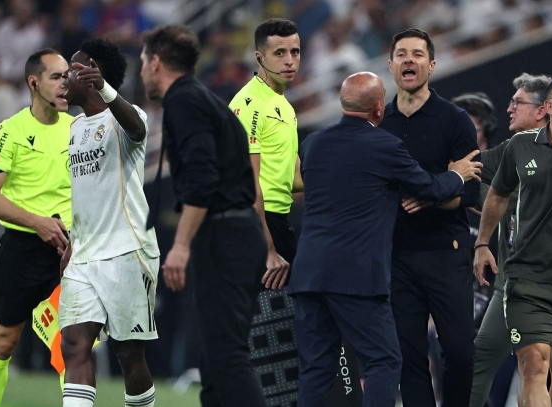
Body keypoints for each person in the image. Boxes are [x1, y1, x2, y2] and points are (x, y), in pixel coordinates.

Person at [288, 71, 482, 407]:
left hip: (308, 273)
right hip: (355, 275)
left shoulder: (313, 143)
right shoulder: (384, 146)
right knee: (385, 360)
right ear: (379, 108)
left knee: (317, 368)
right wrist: (457, 174)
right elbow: (429, 187)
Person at [463, 73, 552, 407]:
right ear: (551, 106)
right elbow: (496, 193)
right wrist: (482, 242)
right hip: (526, 281)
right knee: (531, 366)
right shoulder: (518, 146)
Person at [139, 24, 267, 406]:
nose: (142, 70)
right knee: (213, 361)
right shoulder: (200, 98)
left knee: (226, 356)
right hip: (235, 234)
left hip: (226, 235)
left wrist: (180, 246)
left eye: (143, 62)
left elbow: (201, 177)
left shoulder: (184, 101)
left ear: (156, 62)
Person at [379, 28, 480, 407]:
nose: (409, 59)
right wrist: (443, 184)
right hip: (396, 256)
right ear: (391, 65)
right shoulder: (378, 123)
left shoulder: (455, 120)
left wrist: (430, 198)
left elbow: (470, 193)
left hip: (446, 252)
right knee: (408, 360)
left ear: (432, 65)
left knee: (461, 355)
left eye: (418, 54)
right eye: (401, 54)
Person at [58, 38, 159, 407]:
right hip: (84, 255)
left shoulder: (129, 117)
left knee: (128, 353)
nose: (63, 79)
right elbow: (87, 193)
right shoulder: (74, 127)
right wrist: (73, 242)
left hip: (127, 250)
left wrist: (105, 89)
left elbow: (138, 130)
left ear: (91, 74)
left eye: (70, 70)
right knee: (74, 344)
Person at [0, 48, 72, 407]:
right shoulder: (10, 131)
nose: (65, 84)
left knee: (71, 345)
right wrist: (37, 223)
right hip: (21, 248)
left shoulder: (78, 129)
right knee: (4, 342)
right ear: (34, 83)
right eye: (56, 77)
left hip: (68, 251)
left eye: (67, 76)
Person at [229, 17, 302, 291]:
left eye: (295, 52)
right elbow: (247, 182)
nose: (289, 61)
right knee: (269, 315)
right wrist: (268, 249)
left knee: (295, 310)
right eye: (280, 53)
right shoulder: (249, 104)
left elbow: (292, 178)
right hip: (257, 225)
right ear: (260, 58)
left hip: (278, 221)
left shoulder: (284, 105)